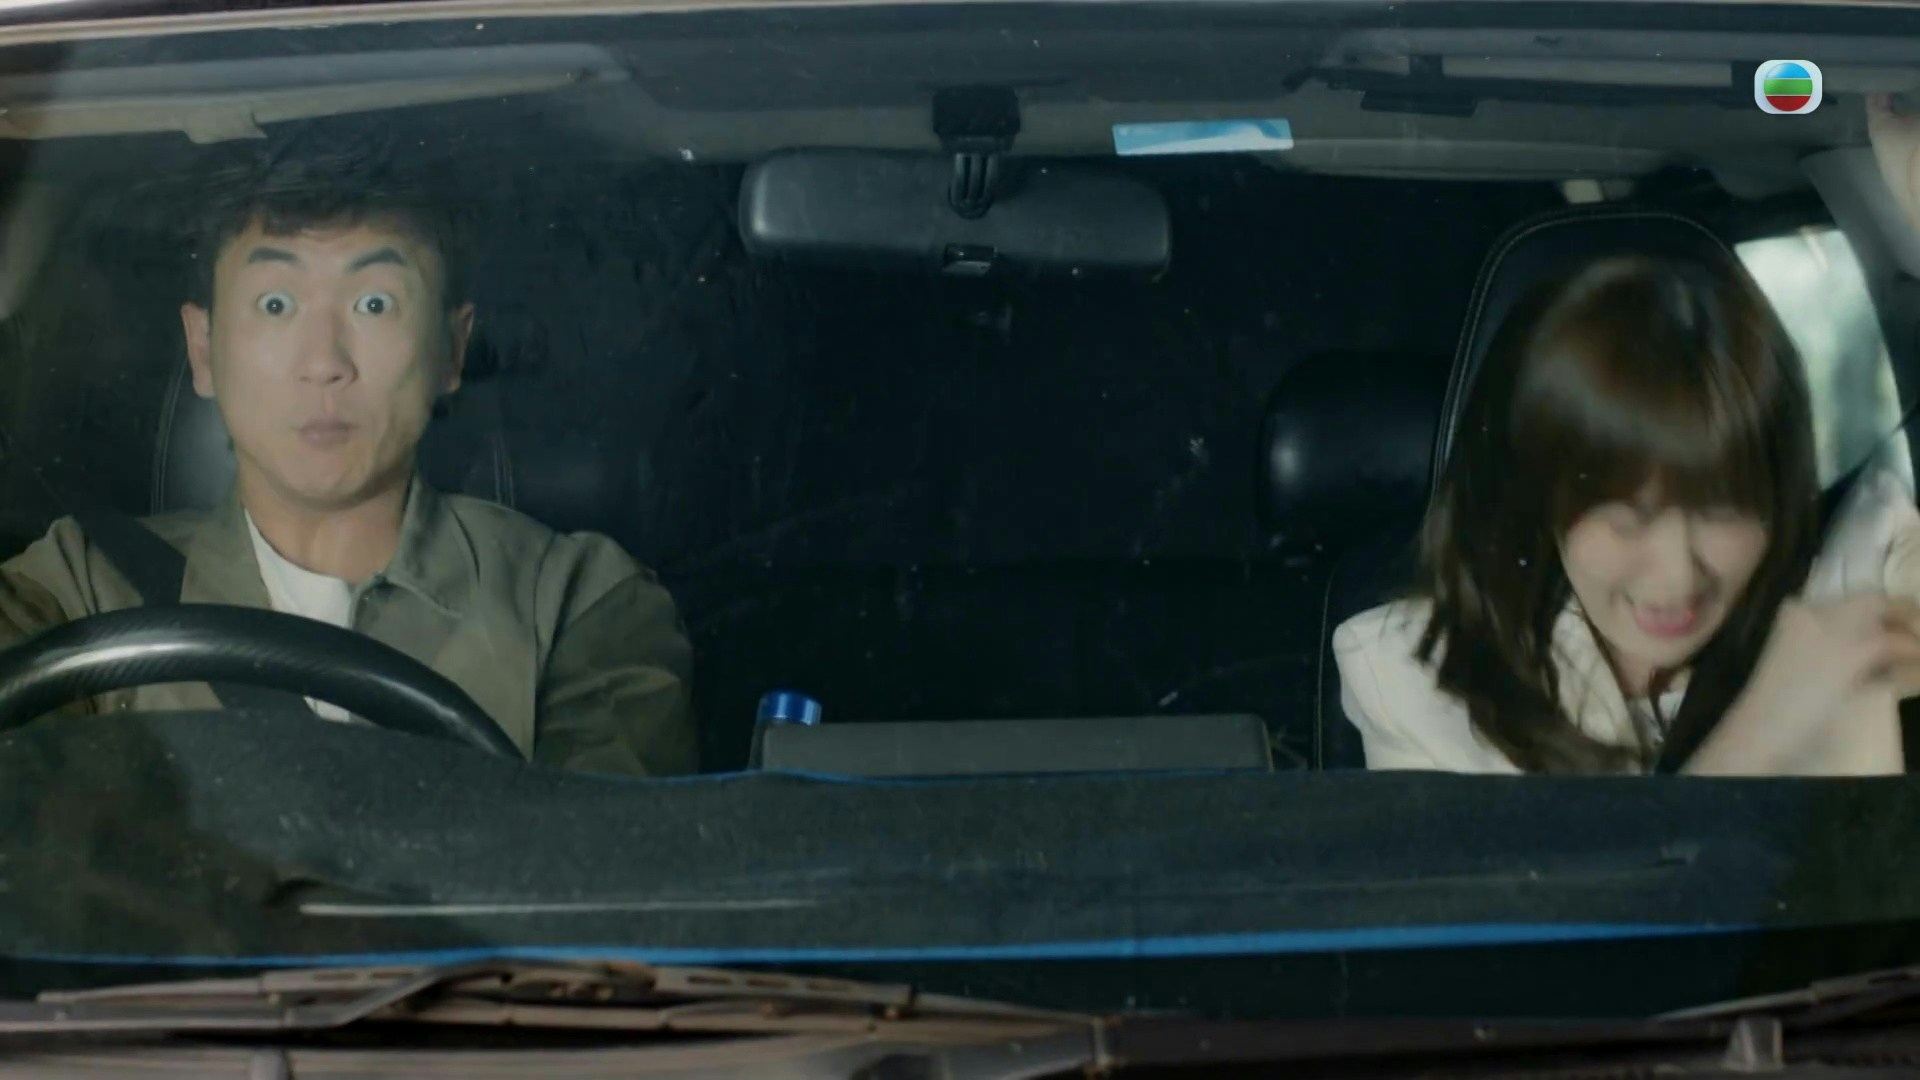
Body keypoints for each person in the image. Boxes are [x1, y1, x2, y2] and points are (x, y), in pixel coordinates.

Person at [0, 146, 699, 778]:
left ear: (451, 350)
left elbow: (597, 864)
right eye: (276, 304)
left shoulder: (573, 604)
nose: (324, 362)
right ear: (204, 349)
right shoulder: (82, 588)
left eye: (374, 303)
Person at [1333, 252, 1920, 775]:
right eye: (1625, 518)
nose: (1677, 576)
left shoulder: (1853, 579)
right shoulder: (1411, 681)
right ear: (1543, 495)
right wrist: (1765, 726)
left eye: (1723, 510)